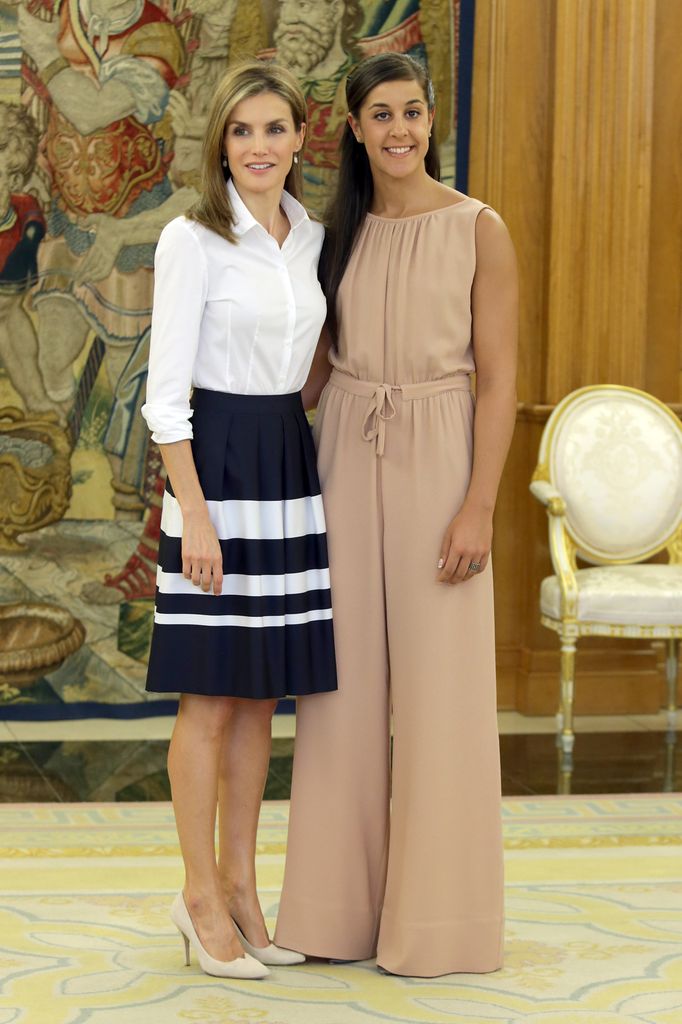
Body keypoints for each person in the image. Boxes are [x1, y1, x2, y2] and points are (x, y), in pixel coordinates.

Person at [275, 52, 518, 978]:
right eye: (381, 114)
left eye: (412, 111)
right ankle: (329, 918)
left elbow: (498, 381)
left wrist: (478, 507)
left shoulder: (477, 227)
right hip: (345, 451)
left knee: (441, 696)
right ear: (355, 128)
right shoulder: (333, 233)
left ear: (428, 119)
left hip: (440, 455)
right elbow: (311, 368)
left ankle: (441, 928)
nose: (401, 129)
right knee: (338, 697)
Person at [140, 58, 337, 980]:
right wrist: (195, 513)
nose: (259, 147)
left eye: (275, 129)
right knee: (209, 696)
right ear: (221, 141)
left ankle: (242, 888)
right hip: (212, 466)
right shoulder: (191, 239)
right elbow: (163, 393)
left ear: (302, 138)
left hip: (285, 464)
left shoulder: (312, 238)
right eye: (242, 131)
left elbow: (313, 364)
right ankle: (195, 896)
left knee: (262, 693)